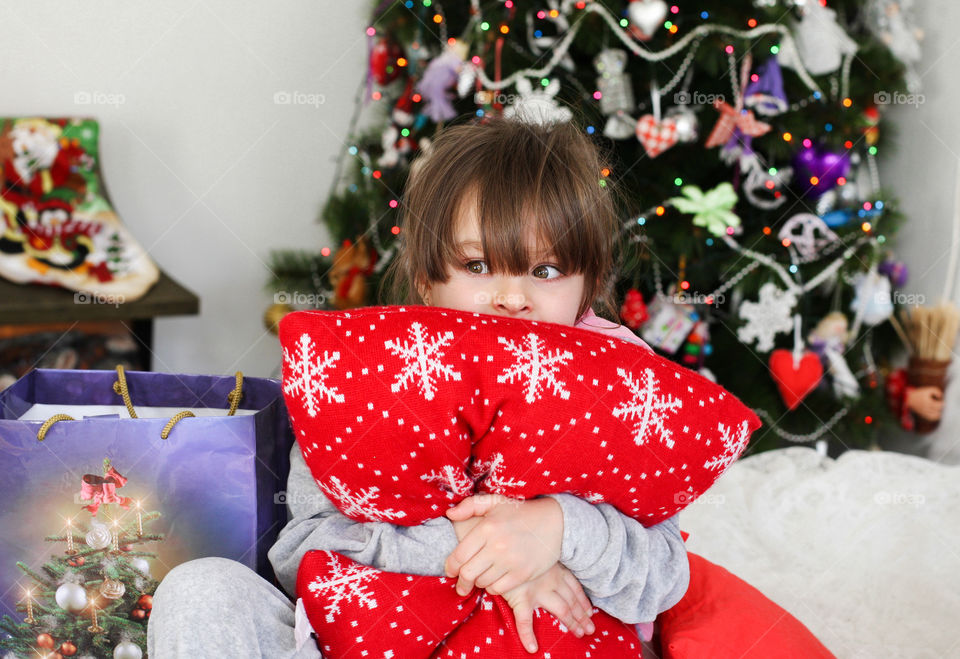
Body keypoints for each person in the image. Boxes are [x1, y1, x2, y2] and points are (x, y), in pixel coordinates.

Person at [148, 117, 689, 658]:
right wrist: (492, 556)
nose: (512, 297)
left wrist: (559, 531)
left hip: (544, 644)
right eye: (477, 265)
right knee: (203, 590)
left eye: (545, 271)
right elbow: (305, 547)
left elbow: (662, 579)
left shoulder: (622, 387)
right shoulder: (365, 373)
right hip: (370, 634)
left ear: (589, 283)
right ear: (427, 278)